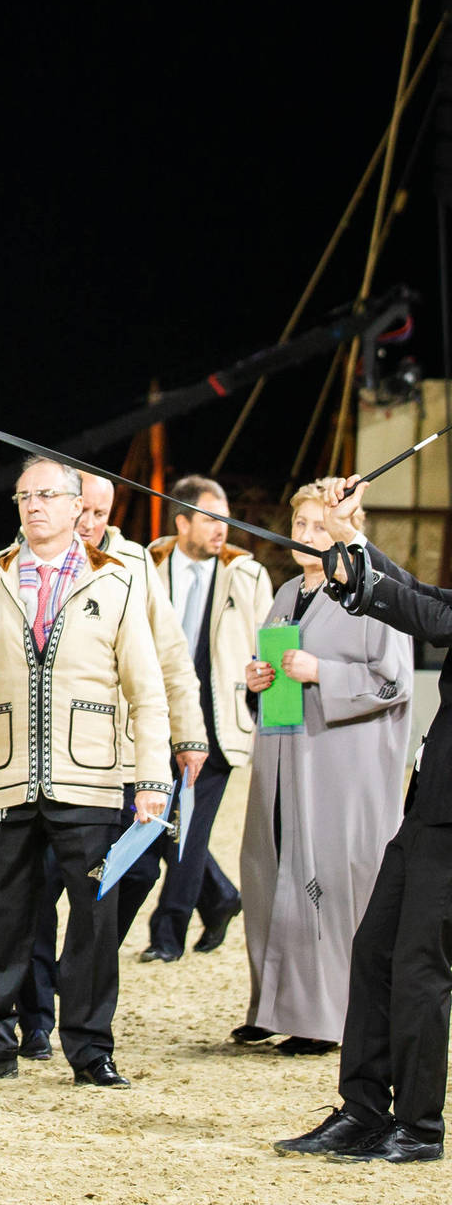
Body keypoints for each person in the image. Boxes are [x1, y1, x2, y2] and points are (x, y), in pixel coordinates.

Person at [0, 457, 171, 1088]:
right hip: (9, 780)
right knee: (4, 918)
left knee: (94, 921)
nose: (34, 506)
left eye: (47, 496)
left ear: (74, 506)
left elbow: (146, 691)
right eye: (24, 497)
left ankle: (91, 1051)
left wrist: (151, 780)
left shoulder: (117, 584)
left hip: (90, 781)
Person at [273, 475, 450, 1164]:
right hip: (430, 807)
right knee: (375, 954)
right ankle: (364, 1110)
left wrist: (354, 555)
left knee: (418, 969)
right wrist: (351, 538)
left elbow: (428, 618)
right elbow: (427, 597)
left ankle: (422, 1126)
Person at [10, 473, 209, 1060]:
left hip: (120, 757)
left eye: (100, 512)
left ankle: (77, 977)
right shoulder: (23, 560)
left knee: (133, 874)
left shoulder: (132, 565)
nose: (91, 523)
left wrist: (188, 733)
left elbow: (170, 657)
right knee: (37, 889)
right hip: (45, 759)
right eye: (85, 511)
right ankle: (37, 1015)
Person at [240, 479, 412, 1056]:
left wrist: (323, 672)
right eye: (300, 527)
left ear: (345, 528)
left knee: (329, 882)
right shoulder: (288, 593)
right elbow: (271, 668)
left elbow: (392, 681)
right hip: (285, 751)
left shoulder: (372, 593)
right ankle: (273, 1004)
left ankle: (327, 1018)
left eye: (319, 526)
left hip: (344, 764)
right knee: (272, 868)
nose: (307, 537)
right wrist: (256, 683)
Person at [120, 474, 273, 962]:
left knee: (186, 829)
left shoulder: (247, 575)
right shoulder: (145, 564)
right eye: (209, 518)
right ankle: (221, 896)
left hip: (217, 723)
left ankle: (168, 935)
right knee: (155, 823)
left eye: (224, 518)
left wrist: (258, 679)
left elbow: (267, 640)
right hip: (152, 718)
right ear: (181, 521)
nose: (220, 528)